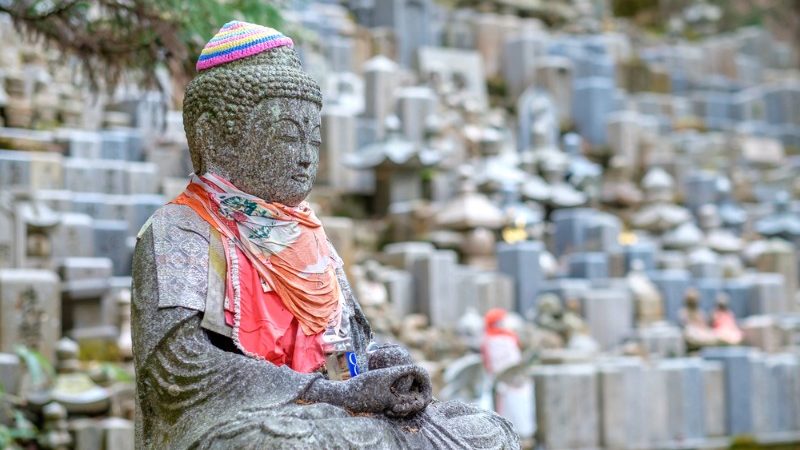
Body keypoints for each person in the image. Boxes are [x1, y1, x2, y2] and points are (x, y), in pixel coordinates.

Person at [131, 21, 518, 449]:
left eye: (313, 141)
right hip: (242, 419)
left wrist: (374, 365)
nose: (304, 159)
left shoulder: (308, 236)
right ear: (212, 134)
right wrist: (321, 393)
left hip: (334, 411)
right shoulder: (182, 228)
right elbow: (180, 368)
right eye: (286, 136)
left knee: (486, 430)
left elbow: (341, 350)